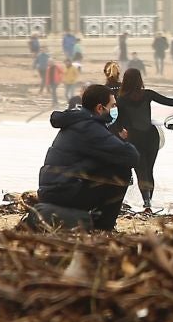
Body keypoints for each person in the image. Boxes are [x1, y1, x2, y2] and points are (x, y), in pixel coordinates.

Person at [36, 84, 138, 232]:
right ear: (99, 108)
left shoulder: (79, 121)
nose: (115, 109)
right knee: (121, 171)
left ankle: (94, 221)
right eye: (113, 105)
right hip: (62, 191)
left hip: (54, 187)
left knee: (110, 164)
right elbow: (131, 156)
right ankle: (103, 227)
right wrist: (109, 155)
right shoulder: (89, 127)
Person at [115, 68, 173, 212]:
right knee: (149, 170)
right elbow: (167, 101)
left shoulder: (122, 100)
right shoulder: (147, 94)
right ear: (139, 80)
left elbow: (117, 118)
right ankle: (148, 204)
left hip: (134, 138)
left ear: (125, 81)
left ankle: (147, 202)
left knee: (141, 170)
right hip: (151, 136)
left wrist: (120, 131)